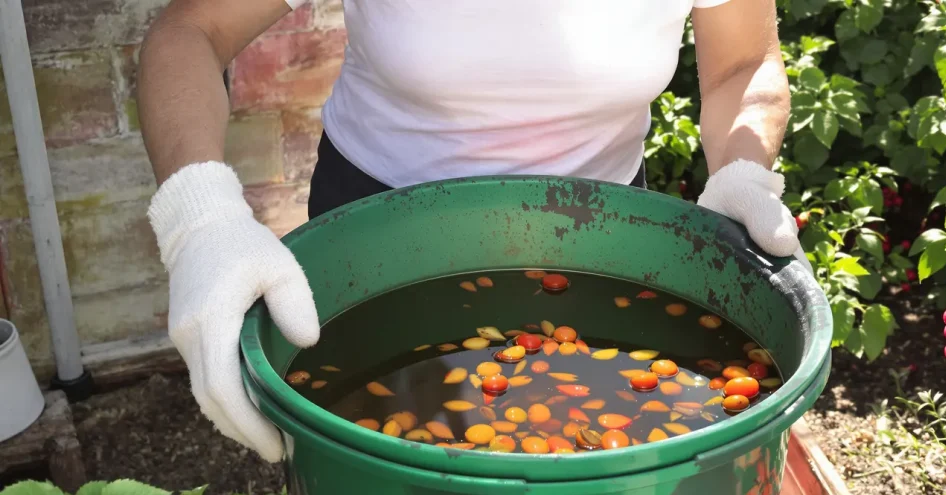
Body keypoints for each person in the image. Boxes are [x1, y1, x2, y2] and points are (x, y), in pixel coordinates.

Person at [138, 0, 802, 463]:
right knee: (393, 482)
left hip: (600, 238)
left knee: (586, 473)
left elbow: (742, 63)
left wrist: (743, 169)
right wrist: (200, 220)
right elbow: (191, 29)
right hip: (378, 234)